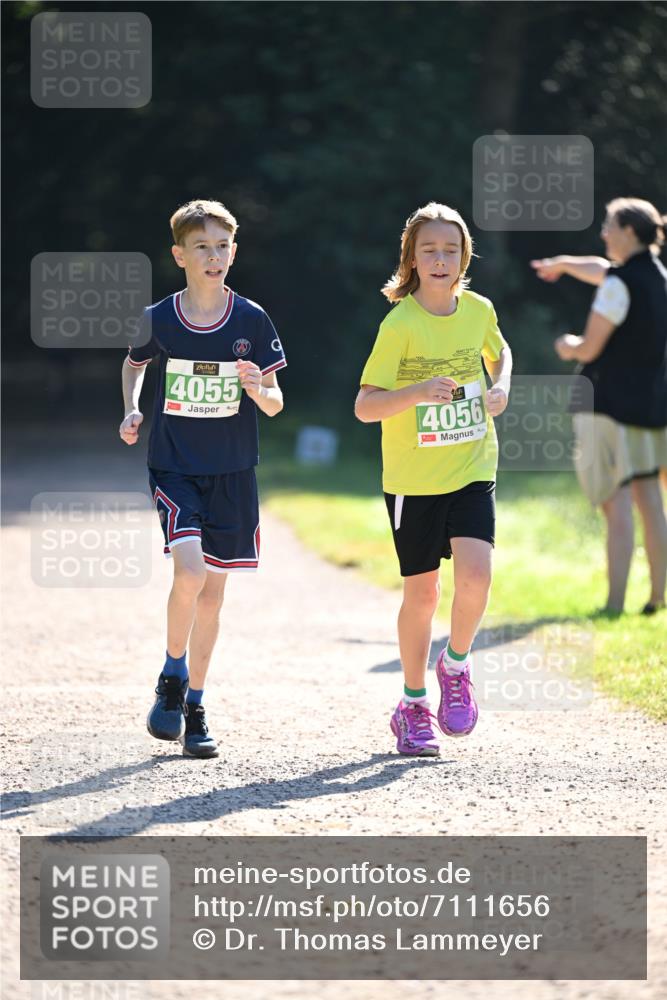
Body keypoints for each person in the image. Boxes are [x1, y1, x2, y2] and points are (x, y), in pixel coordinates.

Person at [119, 199, 286, 757]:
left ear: (233, 253)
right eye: (201, 247)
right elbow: (134, 364)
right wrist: (131, 408)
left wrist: (255, 386)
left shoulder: (252, 320)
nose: (213, 256)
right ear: (179, 255)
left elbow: (276, 404)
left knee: (212, 597)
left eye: (222, 247)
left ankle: (195, 703)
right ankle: (171, 673)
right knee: (188, 572)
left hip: (233, 472)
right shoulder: (160, 318)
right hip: (175, 466)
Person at [355, 202, 512, 756]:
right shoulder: (400, 324)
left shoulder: (479, 310)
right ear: (413, 260)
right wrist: (418, 393)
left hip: (472, 465)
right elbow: (365, 407)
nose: (440, 259)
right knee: (422, 595)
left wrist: (501, 388)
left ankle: (456, 666)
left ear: (464, 256)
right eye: (429, 251)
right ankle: (413, 705)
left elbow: (501, 353)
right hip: (412, 480)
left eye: (450, 250)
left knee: (477, 577)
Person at [531, 197, 667, 615]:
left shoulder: (617, 284)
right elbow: (600, 267)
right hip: (650, 408)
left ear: (628, 231)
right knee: (650, 499)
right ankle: (657, 597)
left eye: (609, 225)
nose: (604, 233)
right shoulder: (659, 277)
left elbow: (591, 345)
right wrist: (564, 262)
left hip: (606, 405)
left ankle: (613, 604)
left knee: (615, 500)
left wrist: (568, 346)